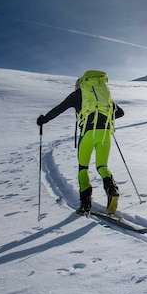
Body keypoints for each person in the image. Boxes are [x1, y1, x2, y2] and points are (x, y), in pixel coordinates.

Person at [37, 73, 124, 214]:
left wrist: (43, 119)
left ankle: (85, 204)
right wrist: (103, 117)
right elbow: (120, 113)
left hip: (88, 134)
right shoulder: (103, 97)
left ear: (80, 84)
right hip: (105, 134)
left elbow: (59, 109)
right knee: (102, 166)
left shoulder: (77, 95)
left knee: (83, 168)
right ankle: (112, 191)